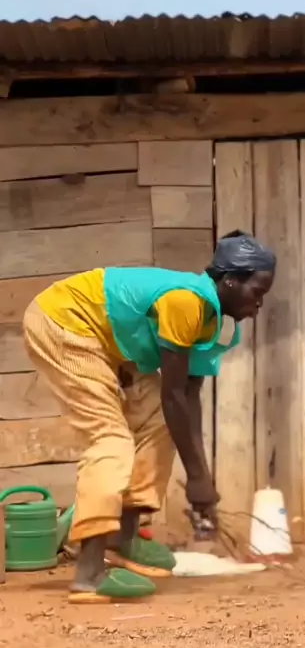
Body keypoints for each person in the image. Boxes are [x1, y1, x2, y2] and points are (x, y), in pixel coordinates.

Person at [23, 231, 276, 603]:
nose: (259, 305)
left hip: (105, 338)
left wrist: (201, 478)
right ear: (230, 281)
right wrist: (197, 480)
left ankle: (124, 538)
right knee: (110, 439)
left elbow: (187, 396)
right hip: (63, 321)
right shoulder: (186, 302)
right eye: (257, 292)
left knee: (160, 418)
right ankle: (89, 572)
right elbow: (174, 394)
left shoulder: (216, 324)